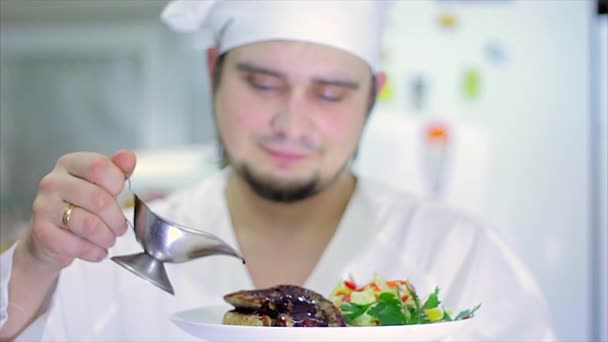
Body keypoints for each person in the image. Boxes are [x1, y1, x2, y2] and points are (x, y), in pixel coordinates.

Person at [0, 1, 554, 340]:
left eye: (331, 93)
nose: (292, 121)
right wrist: (32, 265)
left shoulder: (460, 255)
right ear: (214, 69)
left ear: (372, 97)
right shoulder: (118, 249)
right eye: (263, 84)